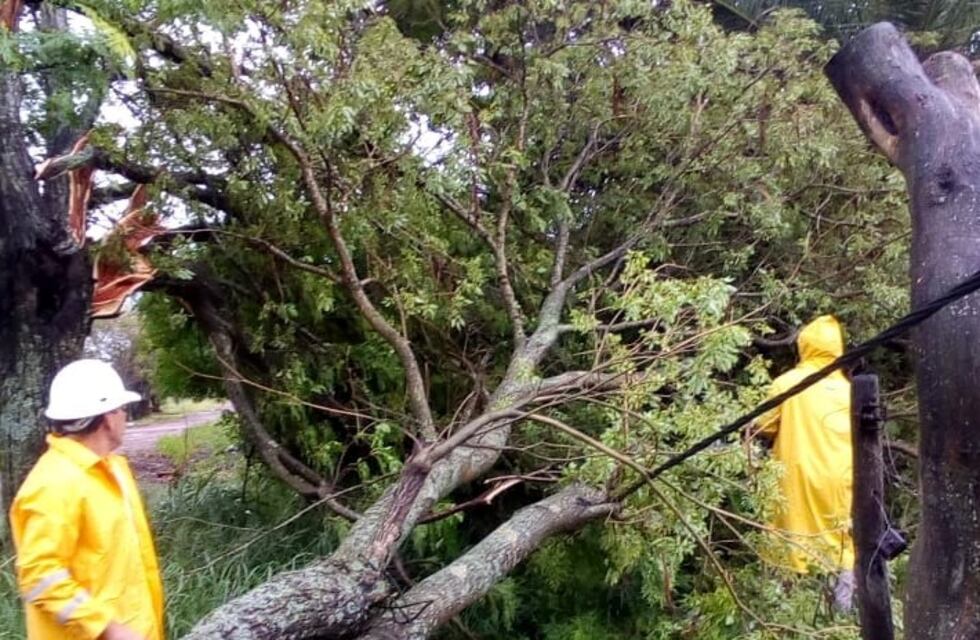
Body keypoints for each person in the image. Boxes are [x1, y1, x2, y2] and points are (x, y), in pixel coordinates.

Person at [10, 359, 164, 640]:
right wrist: (108, 628)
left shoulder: (113, 468)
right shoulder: (53, 483)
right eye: (123, 409)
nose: (125, 417)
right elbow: (39, 576)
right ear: (107, 416)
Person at [752, 315, 855, 611]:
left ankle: (775, 617)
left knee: (784, 546)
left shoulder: (787, 384)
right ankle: (839, 621)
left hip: (794, 483)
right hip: (840, 486)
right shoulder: (852, 392)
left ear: (804, 346)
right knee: (841, 550)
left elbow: (763, 428)